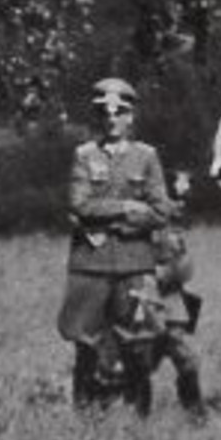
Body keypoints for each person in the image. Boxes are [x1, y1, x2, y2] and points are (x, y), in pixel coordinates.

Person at [57, 77, 169, 414]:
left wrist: (114, 219)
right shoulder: (83, 155)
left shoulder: (146, 157)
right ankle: (86, 413)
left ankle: (139, 415)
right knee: (86, 343)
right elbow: (79, 204)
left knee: (138, 342)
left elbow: (161, 211)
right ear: (96, 117)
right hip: (91, 265)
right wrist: (126, 208)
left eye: (119, 112)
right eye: (104, 113)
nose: (112, 119)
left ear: (130, 116)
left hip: (135, 265)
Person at [152, 169, 207, 418]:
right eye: (176, 195)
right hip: (150, 304)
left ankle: (195, 414)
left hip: (173, 305)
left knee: (187, 360)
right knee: (140, 364)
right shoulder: (151, 224)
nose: (182, 202)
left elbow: (180, 264)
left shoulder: (175, 226)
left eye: (186, 194)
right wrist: (167, 272)